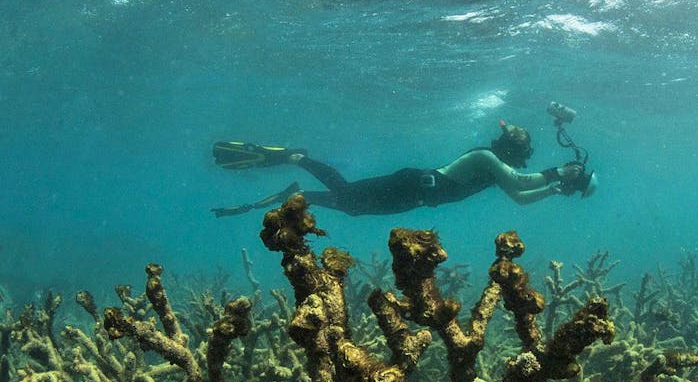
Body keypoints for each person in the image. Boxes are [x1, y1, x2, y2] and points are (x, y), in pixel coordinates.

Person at [210, 121, 595, 217]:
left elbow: (520, 196)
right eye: (523, 151)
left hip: (413, 198)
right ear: (511, 150)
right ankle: (299, 168)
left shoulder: (496, 171)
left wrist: (555, 188)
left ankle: (299, 174)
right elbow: (520, 179)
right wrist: (560, 173)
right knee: (348, 200)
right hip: (410, 184)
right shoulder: (487, 159)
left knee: (350, 203)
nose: (523, 158)